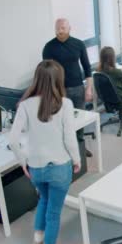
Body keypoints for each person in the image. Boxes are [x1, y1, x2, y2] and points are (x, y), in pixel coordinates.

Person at [8, 60, 81, 244]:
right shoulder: (65, 104)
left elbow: (13, 140)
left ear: (37, 79)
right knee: (54, 212)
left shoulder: (25, 106)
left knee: (44, 200)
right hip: (59, 167)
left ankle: (37, 240)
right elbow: (69, 138)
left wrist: (23, 163)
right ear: (59, 80)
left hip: (36, 169)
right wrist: (76, 160)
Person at [42, 18, 93, 157]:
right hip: (59, 91)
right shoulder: (49, 47)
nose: (59, 31)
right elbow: (46, 72)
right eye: (57, 28)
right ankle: (65, 150)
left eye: (62, 28)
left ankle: (80, 146)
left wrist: (88, 88)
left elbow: (87, 67)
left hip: (77, 88)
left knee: (80, 119)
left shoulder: (78, 44)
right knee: (63, 122)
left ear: (70, 28)